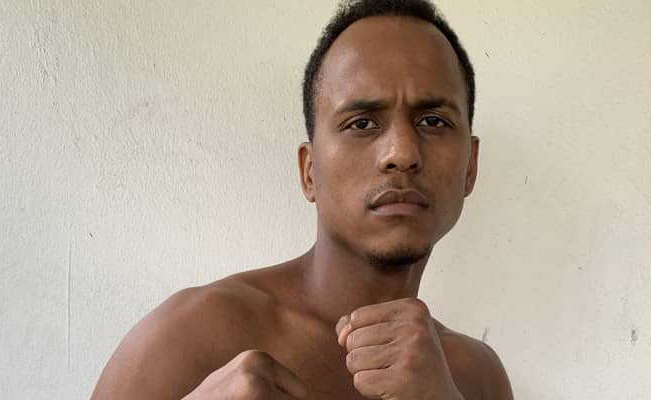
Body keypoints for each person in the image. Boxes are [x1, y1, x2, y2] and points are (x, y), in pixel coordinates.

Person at [92, 0, 514, 398]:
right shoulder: (190, 335)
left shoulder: (476, 376)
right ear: (309, 171)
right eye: (362, 123)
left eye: (433, 121)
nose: (401, 153)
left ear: (471, 166)